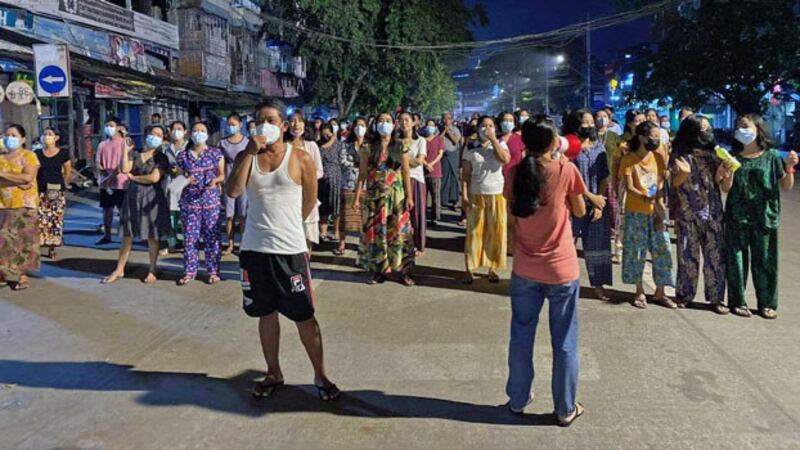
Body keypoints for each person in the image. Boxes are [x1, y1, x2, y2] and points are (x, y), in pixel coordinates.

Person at [226, 98, 339, 402]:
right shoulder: (246, 157)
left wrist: (289, 228)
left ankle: (321, 374)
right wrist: (249, 152)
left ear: (284, 126)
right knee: (265, 313)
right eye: (259, 120)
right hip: (254, 248)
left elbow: (309, 203)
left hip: (290, 251)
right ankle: (273, 371)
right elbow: (234, 191)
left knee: (304, 315)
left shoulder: (301, 158)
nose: (265, 125)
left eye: (272, 120)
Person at [504, 118, 587, 426]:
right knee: (565, 340)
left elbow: (513, 214)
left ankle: (517, 398)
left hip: (525, 267)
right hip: (561, 270)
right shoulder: (565, 170)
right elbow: (579, 211)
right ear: (553, 143)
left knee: (521, 336)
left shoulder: (514, 173)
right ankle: (565, 408)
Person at [723, 114, 797, 319]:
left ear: (758, 129)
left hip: (765, 217)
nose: (741, 130)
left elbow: (786, 186)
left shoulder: (772, 156)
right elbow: (725, 188)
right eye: (738, 127)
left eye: (745, 126)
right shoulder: (732, 157)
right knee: (736, 261)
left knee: (765, 261)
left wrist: (790, 168)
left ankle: (767, 303)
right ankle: (737, 301)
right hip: (737, 216)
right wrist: (726, 173)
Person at [669, 116, 730, 314]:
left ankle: (716, 298)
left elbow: (722, 184)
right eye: (703, 129)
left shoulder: (715, 154)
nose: (707, 132)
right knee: (687, 255)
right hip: (687, 212)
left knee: (715, 257)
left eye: (709, 129)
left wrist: (723, 174)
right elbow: (673, 184)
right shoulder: (679, 154)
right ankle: (684, 295)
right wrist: (682, 174)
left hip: (712, 212)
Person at [102, 125, 170, 284]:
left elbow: (154, 178)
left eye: (159, 134)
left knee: (152, 234)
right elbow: (125, 168)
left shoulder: (162, 157)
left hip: (152, 196)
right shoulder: (136, 153)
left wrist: (134, 179)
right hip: (132, 196)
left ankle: (152, 269)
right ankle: (119, 269)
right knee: (127, 233)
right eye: (152, 133)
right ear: (146, 134)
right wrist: (125, 151)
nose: (155, 136)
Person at [354, 112, 416, 286]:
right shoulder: (367, 147)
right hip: (375, 197)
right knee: (376, 233)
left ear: (394, 124)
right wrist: (357, 197)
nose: (384, 124)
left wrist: (410, 197)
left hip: (396, 197)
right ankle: (379, 271)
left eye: (388, 121)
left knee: (399, 232)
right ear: (375, 125)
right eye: (381, 121)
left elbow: (405, 172)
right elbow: (362, 173)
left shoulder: (400, 145)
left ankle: (403, 271)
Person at [618, 121, 675, 309]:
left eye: (658, 137)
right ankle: (639, 291)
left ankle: (660, 292)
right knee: (636, 252)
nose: (656, 140)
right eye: (653, 137)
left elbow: (660, 184)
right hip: (636, 212)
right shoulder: (629, 160)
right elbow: (629, 186)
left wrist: (659, 207)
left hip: (655, 210)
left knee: (663, 250)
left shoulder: (658, 158)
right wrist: (644, 196)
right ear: (642, 138)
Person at [564, 110, 613, 300]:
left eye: (591, 122)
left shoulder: (598, 146)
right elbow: (569, 177)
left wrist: (599, 202)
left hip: (596, 204)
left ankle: (599, 285)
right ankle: (564, 283)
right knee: (567, 244)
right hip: (572, 202)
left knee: (597, 247)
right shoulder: (569, 147)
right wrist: (591, 196)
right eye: (585, 123)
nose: (591, 126)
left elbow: (604, 176)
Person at [462, 115, 511, 284]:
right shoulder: (470, 147)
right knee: (474, 232)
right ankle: (470, 268)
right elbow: (466, 174)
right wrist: (464, 194)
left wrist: (494, 140)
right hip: (476, 193)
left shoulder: (501, 145)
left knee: (496, 231)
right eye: (484, 125)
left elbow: (505, 160)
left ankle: (493, 268)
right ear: (478, 128)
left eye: (490, 125)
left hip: (497, 193)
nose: (487, 128)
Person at [176, 121, 225, 285]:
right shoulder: (183, 156)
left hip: (210, 201)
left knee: (212, 238)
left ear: (207, 134)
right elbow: (178, 178)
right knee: (190, 239)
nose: (199, 133)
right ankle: (190, 271)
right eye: (196, 130)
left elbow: (222, 175)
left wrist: (214, 181)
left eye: (202, 130)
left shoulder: (215, 153)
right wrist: (186, 179)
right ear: (190, 133)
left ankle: (213, 271)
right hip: (189, 203)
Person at [0, 124, 40, 291]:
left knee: (25, 241)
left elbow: (28, 178)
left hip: (25, 204)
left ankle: (23, 276)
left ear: (22, 139)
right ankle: (2, 274)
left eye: (14, 135)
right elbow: (22, 179)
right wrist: (17, 179)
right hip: (3, 204)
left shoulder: (29, 156)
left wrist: (2, 175)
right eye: (7, 135)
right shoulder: (1, 158)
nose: (10, 138)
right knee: (4, 241)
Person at [288, 111, 324, 252]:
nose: (296, 124)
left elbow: (319, 171)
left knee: (307, 234)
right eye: (292, 120)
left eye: (300, 120)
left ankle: (305, 267)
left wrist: (304, 178)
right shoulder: (284, 146)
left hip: (308, 194)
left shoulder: (311, 146)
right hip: (289, 196)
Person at [35, 127, 71, 260]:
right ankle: (41, 243)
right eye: (44, 134)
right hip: (41, 190)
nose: (46, 137)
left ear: (56, 138)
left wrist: (64, 184)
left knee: (55, 219)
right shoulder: (37, 153)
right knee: (41, 218)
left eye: (49, 134)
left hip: (56, 190)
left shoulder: (63, 153)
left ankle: (52, 247)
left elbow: (68, 170)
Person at [220, 113, 250, 255]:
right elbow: (220, 164)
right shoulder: (222, 143)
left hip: (244, 181)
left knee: (243, 214)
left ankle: (244, 243)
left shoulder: (247, 142)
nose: (231, 127)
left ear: (240, 125)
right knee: (229, 215)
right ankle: (230, 243)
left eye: (234, 124)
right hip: (228, 180)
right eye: (229, 124)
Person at [336, 117, 366, 256]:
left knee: (363, 217)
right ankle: (342, 243)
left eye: (362, 125)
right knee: (344, 215)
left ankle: (362, 244)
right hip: (348, 182)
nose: (360, 128)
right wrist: (359, 165)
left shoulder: (369, 145)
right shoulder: (345, 144)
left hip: (365, 185)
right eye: (357, 125)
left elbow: (370, 163)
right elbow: (342, 160)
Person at [95, 117, 128, 245]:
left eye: (111, 125)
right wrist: (104, 174)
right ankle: (107, 235)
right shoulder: (102, 144)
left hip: (121, 182)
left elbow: (123, 163)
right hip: (105, 184)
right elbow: (98, 162)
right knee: (107, 210)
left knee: (122, 210)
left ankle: (126, 236)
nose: (109, 128)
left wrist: (112, 176)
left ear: (119, 127)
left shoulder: (125, 143)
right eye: (107, 125)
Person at [400, 112, 427, 255]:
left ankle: (418, 244)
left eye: (407, 120)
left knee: (417, 213)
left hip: (416, 179)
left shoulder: (420, 141)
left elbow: (419, 161)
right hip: (399, 180)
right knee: (401, 214)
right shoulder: (397, 142)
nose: (404, 123)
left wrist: (402, 161)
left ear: (413, 122)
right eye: (401, 120)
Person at [163, 121, 189, 253]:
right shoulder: (166, 148)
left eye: (179, 129)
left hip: (185, 183)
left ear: (185, 131)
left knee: (185, 215)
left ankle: (187, 244)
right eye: (173, 129)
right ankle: (171, 244)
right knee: (171, 215)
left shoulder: (189, 146)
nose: (176, 132)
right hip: (171, 183)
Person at [317, 123, 343, 242]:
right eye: (324, 134)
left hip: (336, 178)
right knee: (324, 207)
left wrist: (334, 139)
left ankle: (337, 232)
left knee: (337, 207)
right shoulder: (319, 145)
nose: (326, 136)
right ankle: (323, 232)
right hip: (322, 179)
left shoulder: (339, 145)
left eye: (328, 134)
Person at [423, 119, 445, 226]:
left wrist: (431, 164)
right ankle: (423, 216)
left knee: (436, 196)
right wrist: (426, 164)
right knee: (423, 197)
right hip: (423, 171)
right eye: (428, 125)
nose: (429, 127)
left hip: (435, 171)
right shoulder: (422, 140)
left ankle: (435, 217)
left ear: (435, 127)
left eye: (432, 125)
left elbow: (440, 154)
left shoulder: (439, 139)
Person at [440, 112, 462, 210]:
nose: (446, 121)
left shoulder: (456, 129)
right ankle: (443, 199)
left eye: (448, 119)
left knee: (454, 177)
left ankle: (454, 199)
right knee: (444, 178)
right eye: (444, 119)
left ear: (452, 120)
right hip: (443, 156)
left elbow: (456, 141)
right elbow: (438, 140)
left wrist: (449, 132)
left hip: (453, 154)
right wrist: (444, 131)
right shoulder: (438, 129)